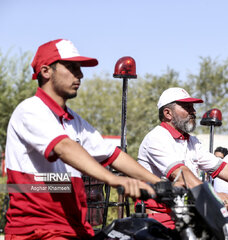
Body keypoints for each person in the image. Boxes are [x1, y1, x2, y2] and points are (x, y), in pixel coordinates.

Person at [5, 39, 160, 240]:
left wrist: (161, 184)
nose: (80, 74)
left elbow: (112, 155)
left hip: (74, 229)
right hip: (38, 231)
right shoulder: (30, 110)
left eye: (79, 68)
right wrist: (114, 179)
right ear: (45, 71)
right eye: (71, 67)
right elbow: (63, 146)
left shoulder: (73, 121)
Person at [137, 87, 228, 229]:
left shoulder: (191, 141)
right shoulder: (157, 138)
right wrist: (213, 195)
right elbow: (181, 175)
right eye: (186, 107)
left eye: (193, 107)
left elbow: (222, 168)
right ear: (168, 113)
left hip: (186, 215)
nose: (193, 111)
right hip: (160, 219)